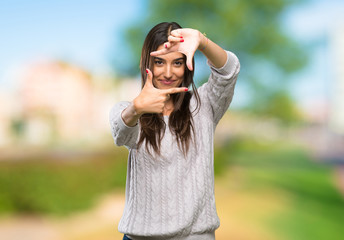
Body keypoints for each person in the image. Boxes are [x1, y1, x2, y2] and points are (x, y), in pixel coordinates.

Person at [109, 22, 240, 240]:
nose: (168, 73)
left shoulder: (205, 105)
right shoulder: (128, 110)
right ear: (146, 64)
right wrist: (137, 109)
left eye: (177, 62)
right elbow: (121, 133)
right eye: (159, 62)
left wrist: (202, 41)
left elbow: (228, 72)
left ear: (187, 65)